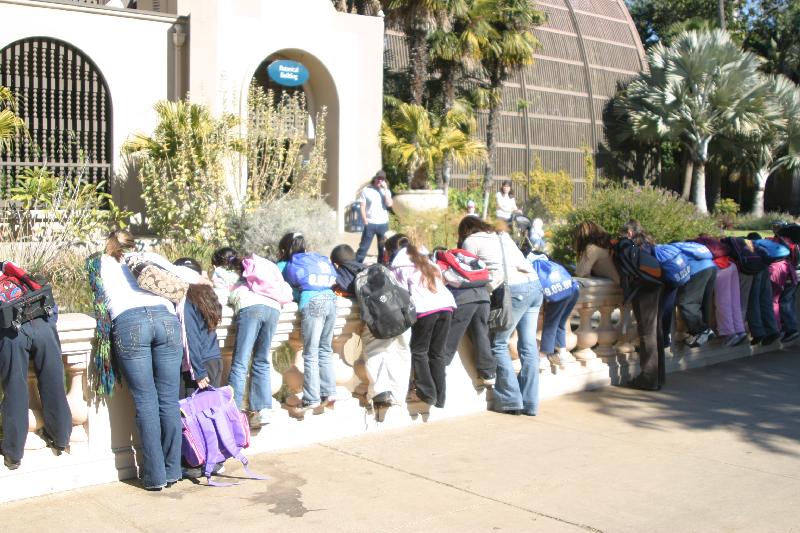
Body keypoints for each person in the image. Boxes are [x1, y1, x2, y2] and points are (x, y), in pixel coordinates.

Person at [96, 230, 200, 490]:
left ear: (108, 244)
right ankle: (173, 469)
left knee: (145, 400)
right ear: (133, 243)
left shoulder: (99, 262)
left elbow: (97, 300)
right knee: (167, 399)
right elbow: (187, 278)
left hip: (129, 322)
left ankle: (154, 476)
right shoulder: (149, 257)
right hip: (165, 320)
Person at [459, 216, 543, 415]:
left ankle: (510, 399)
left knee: (498, 343)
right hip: (535, 285)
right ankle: (530, 402)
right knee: (529, 345)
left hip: (513, 290)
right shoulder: (502, 236)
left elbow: (468, 272)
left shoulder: (471, 241)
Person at [0, 264, 71, 470]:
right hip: (43, 327)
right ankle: (61, 438)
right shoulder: (12, 271)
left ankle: (13, 454)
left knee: (15, 388)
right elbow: (50, 305)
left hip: (12, 335)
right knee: (54, 383)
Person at [330, 244, 412, 408]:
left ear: (336, 264)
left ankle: (380, 394)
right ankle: (399, 396)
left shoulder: (344, 273)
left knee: (374, 350)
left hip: (381, 320)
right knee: (401, 354)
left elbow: (344, 290)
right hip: (402, 317)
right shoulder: (373, 268)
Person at [211, 247, 281, 427]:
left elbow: (221, 296)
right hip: (273, 307)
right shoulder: (249, 267)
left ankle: (233, 413)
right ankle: (263, 410)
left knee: (240, 362)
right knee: (262, 360)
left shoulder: (221, 272)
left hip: (251, 308)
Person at [385, 234, 455, 408]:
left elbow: (399, 294)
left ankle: (426, 392)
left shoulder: (399, 266)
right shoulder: (429, 262)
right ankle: (440, 396)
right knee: (437, 353)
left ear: (393, 250)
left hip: (426, 310)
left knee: (418, 351)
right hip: (446, 307)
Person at [278, 233, 338, 410]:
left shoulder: (287, 264)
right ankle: (330, 391)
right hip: (331, 299)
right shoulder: (314, 258)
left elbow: (287, 290)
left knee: (310, 353)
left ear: (284, 248)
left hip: (313, 303)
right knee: (325, 349)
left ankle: (312, 398)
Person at [436, 244, 495, 394]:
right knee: (481, 334)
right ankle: (488, 374)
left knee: (450, 337)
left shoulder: (441, 263)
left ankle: (439, 369)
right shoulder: (464, 260)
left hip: (464, 300)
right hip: (483, 297)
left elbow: (440, 285)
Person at [616, 220, 665, 391]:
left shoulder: (628, 246)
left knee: (646, 334)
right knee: (655, 332)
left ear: (629, 233)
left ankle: (648, 379)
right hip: (657, 286)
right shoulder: (649, 244)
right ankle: (658, 378)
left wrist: (626, 294)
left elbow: (624, 273)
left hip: (643, 290)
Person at [172, 258, 223, 398]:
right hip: (214, 359)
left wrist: (198, 371)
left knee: (193, 415)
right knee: (211, 412)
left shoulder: (186, 299)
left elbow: (190, 336)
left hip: (199, 365)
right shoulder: (206, 294)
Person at [355, 170, 393, 264]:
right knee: (363, 248)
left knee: (382, 249)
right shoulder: (367, 190)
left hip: (383, 224)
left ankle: (381, 267)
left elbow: (389, 204)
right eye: (378, 178)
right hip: (370, 223)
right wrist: (365, 220)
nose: (380, 181)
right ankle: (356, 265)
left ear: (385, 181)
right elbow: (362, 206)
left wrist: (385, 190)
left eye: (382, 179)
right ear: (375, 178)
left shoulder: (386, 191)